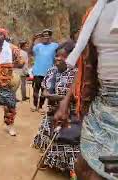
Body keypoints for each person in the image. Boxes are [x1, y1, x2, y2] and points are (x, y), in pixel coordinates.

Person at [55, 0, 118, 179]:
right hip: (103, 107)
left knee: (106, 172)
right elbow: (85, 65)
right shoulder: (95, 13)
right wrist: (65, 102)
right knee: (84, 168)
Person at [32, 41, 79, 178]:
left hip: (72, 114)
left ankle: (72, 167)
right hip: (53, 111)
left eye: (62, 56)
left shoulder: (77, 74)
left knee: (71, 140)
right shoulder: (52, 71)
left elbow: (78, 96)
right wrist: (66, 98)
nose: (58, 59)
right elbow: (46, 93)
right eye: (57, 56)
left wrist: (65, 99)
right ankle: (49, 160)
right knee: (51, 137)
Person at [31, 29, 59, 113]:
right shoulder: (38, 46)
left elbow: (60, 53)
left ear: (50, 37)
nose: (45, 37)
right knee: (36, 90)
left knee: (44, 91)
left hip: (49, 73)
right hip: (37, 72)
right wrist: (33, 40)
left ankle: (40, 106)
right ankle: (35, 105)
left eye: (47, 35)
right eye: (43, 36)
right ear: (41, 37)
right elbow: (30, 52)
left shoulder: (55, 46)